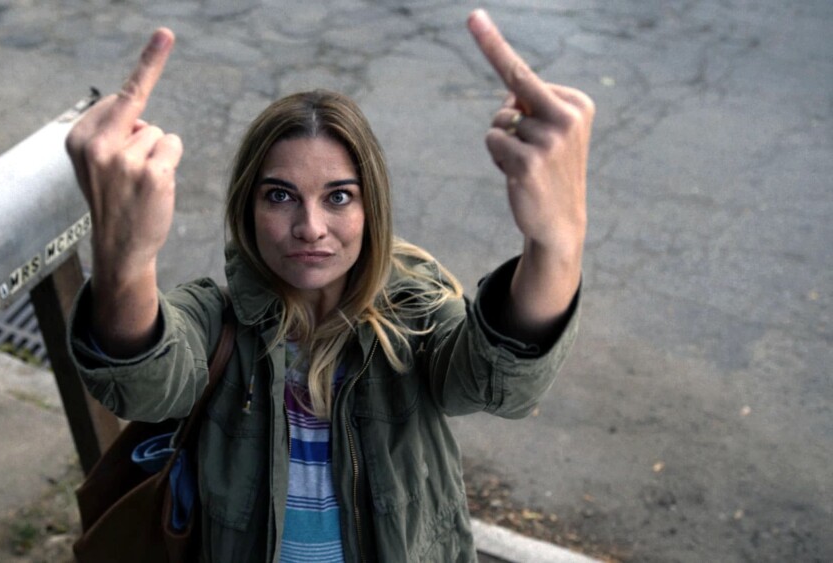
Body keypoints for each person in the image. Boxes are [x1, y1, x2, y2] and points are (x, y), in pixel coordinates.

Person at [64, 8, 593, 563]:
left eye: (338, 196)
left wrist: (557, 243)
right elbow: (143, 387)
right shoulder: (216, 322)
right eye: (280, 195)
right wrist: (127, 258)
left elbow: (498, 384)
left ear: (371, 209)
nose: (311, 227)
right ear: (247, 209)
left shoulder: (413, 317)